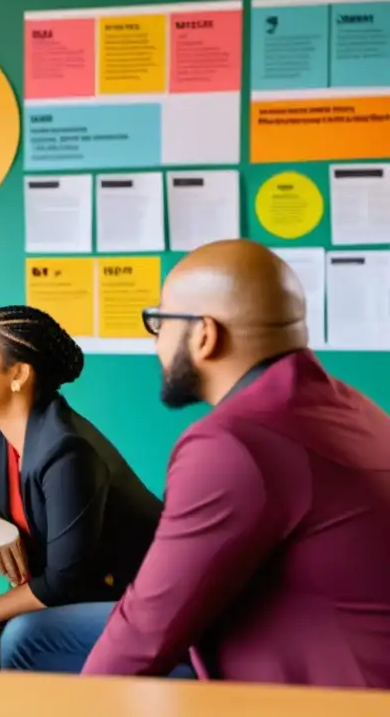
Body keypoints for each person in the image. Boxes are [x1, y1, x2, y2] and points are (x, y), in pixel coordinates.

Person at [82, 239, 390, 688]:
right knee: (38, 634)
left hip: (331, 694)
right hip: (332, 650)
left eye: (160, 322)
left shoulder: (233, 444)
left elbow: (146, 633)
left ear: (205, 335)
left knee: (42, 643)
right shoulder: (349, 404)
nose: (156, 343)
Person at [0, 305, 169, 673]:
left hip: (133, 596)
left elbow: (66, 582)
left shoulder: (67, 451)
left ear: (18, 373)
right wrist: (2, 534)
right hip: (76, 586)